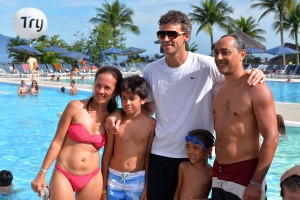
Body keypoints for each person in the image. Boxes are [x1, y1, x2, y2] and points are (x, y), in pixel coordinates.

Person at [105, 10, 265, 200]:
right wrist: (118, 112)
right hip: (161, 153)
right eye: (161, 34)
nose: (165, 39)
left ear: (186, 36)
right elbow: (145, 108)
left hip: (196, 154)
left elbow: (235, 81)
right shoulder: (151, 70)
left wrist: (255, 72)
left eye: (171, 34)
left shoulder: (208, 65)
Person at [31, 66, 123, 200]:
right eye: (98, 85)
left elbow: (107, 156)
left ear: (115, 92)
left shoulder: (111, 118)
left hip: (92, 178)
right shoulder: (75, 107)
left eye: (107, 88)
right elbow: (57, 142)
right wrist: (42, 173)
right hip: (64, 174)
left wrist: (104, 189)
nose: (101, 91)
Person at [212, 34, 278, 200]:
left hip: (245, 173)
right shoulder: (217, 88)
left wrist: (256, 182)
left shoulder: (256, 89)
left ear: (242, 54)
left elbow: (272, 138)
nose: (219, 57)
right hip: (218, 171)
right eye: (216, 52)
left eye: (225, 52)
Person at [101, 75, 155, 200]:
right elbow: (106, 155)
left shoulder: (151, 125)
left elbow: (148, 156)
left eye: (132, 98)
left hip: (137, 179)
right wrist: (103, 189)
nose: (127, 103)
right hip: (114, 178)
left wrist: (146, 186)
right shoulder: (115, 123)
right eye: (123, 98)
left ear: (143, 100)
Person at [174, 129, 215, 200]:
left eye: (195, 148)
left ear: (208, 150)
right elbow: (178, 189)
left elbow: (217, 196)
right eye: (188, 147)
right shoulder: (183, 166)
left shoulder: (211, 173)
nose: (190, 151)